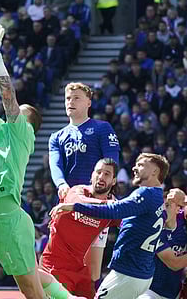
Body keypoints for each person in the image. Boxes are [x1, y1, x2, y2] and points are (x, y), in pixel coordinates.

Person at [0, 24, 82, 299]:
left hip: (6, 215)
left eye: (20, 110)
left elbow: (7, 97)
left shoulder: (21, 132)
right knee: (32, 275)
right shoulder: (0, 131)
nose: (15, 110)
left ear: (28, 121)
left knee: (30, 290)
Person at [50, 153, 170, 299]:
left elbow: (115, 210)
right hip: (142, 274)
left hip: (128, 273)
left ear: (154, 171)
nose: (134, 168)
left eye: (141, 164)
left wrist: (75, 207)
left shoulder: (146, 194)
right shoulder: (158, 198)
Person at [49, 81, 120, 288]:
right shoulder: (57, 137)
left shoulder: (102, 128)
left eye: (76, 98)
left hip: (96, 207)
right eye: (68, 98)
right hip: (69, 208)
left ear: (88, 102)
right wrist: (61, 184)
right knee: (60, 266)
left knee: (92, 272)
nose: (70, 101)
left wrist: (108, 193)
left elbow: (111, 162)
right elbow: (55, 165)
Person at [41, 158, 121, 299]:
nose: (101, 176)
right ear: (92, 175)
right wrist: (110, 205)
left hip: (79, 270)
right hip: (54, 266)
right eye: (98, 172)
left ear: (113, 181)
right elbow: (79, 202)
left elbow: (130, 223)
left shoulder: (112, 210)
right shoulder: (77, 191)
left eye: (107, 174)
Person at [138, 188, 187, 299]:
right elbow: (174, 264)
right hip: (151, 291)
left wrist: (184, 199)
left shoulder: (183, 221)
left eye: (168, 205)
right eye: (161, 208)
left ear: (178, 208)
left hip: (176, 293)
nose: (163, 210)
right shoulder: (155, 231)